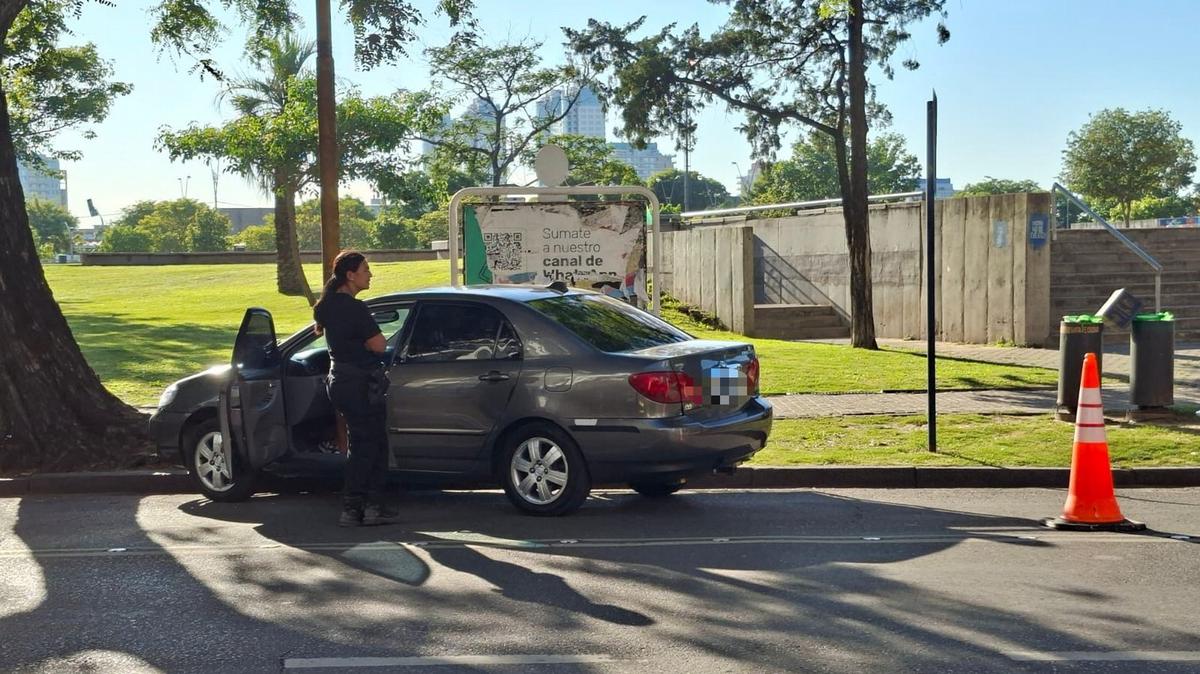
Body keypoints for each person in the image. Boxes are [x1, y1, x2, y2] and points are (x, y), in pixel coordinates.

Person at [313, 251, 400, 527]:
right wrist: (366, 344)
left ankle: (367, 505)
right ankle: (357, 507)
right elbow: (379, 345)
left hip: (339, 380)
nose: (370, 274)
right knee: (369, 445)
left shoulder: (325, 306)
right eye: (365, 269)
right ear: (350, 276)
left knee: (364, 443)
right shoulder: (355, 308)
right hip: (361, 384)